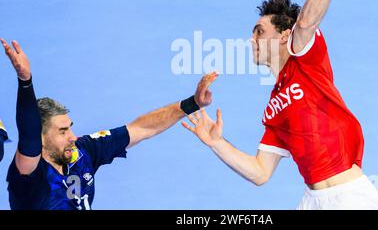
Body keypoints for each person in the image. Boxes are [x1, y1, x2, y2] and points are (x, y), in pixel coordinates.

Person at [182, 0, 378, 210]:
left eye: (259, 32)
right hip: (311, 201)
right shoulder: (274, 107)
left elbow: (306, 23)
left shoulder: (306, 59)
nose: (251, 39)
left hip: (349, 197)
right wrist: (216, 143)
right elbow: (259, 172)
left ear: (284, 36)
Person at [0, 38, 217, 210]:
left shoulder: (83, 152)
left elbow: (140, 129)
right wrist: (25, 81)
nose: (73, 137)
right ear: (41, 137)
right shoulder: (29, 177)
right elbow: (28, 138)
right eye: (62, 131)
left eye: (70, 127)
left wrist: (192, 103)